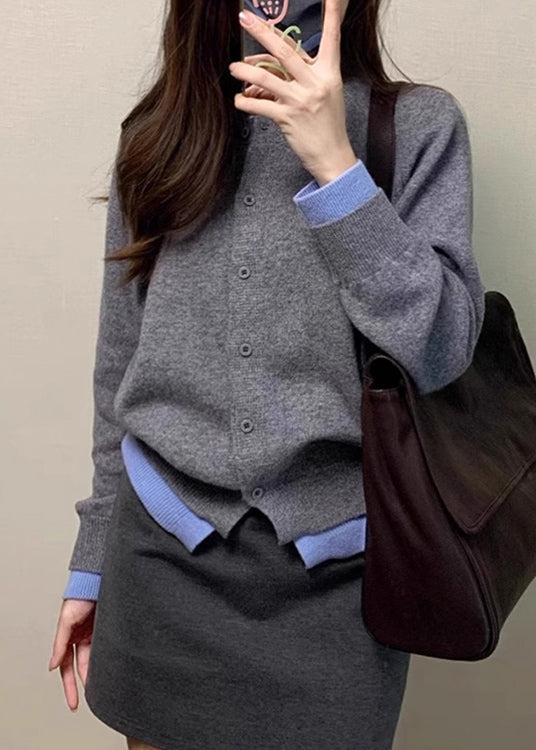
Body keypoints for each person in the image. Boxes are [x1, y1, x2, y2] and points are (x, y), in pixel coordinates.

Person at [48, 0, 486, 748]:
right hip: (159, 564)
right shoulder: (156, 136)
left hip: (342, 582)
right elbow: (118, 367)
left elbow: (441, 349)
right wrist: (92, 562)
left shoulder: (417, 127)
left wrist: (338, 170)